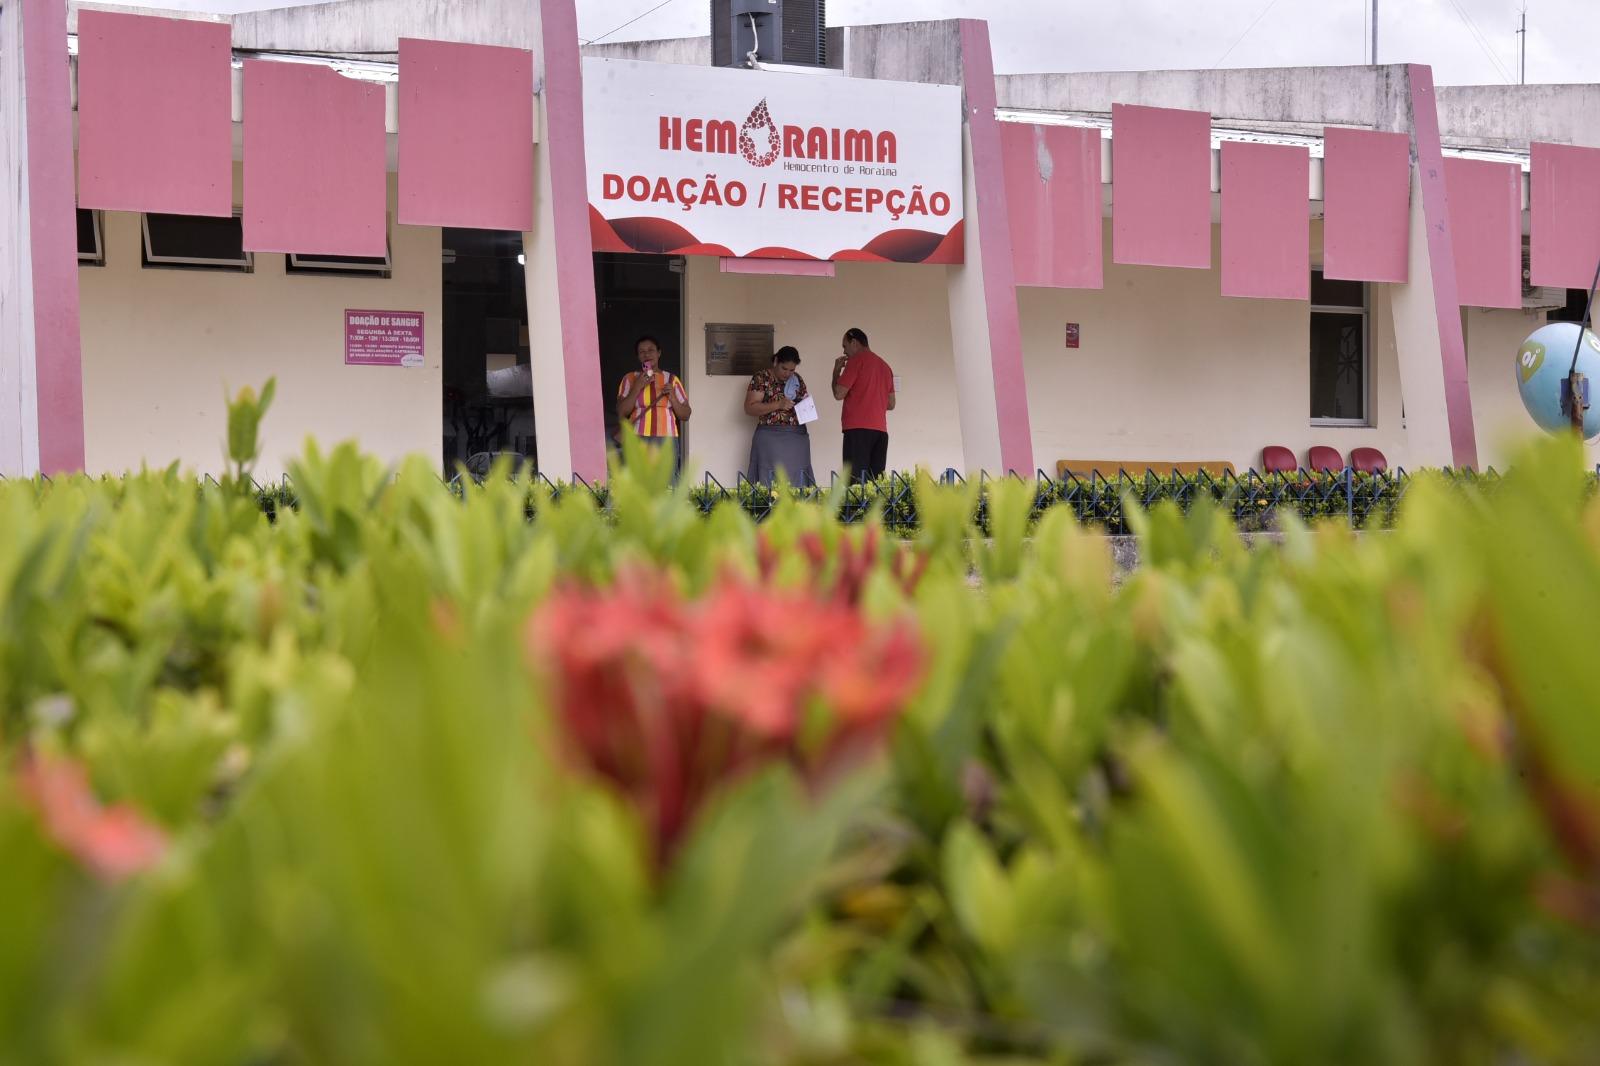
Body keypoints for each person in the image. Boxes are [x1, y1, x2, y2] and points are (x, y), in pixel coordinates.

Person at [831, 327, 895, 481]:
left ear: (854, 342)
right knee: (875, 483)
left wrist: (836, 372)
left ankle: (856, 507)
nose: (844, 352)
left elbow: (839, 394)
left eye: (844, 346)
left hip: (857, 430)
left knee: (855, 483)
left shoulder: (856, 361)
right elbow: (891, 404)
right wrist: (872, 398)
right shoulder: (885, 366)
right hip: (880, 432)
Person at [744, 346, 814, 486]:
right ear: (776, 361)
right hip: (771, 438)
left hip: (797, 438)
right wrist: (778, 405)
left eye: (792, 370)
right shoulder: (761, 378)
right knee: (770, 481)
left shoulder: (797, 380)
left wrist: (807, 406)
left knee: (797, 481)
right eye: (784, 368)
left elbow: (804, 401)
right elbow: (749, 408)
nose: (788, 374)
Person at [615, 335, 691, 455]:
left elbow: (686, 415)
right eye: (642, 352)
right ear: (638, 356)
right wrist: (637, 386)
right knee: (638, 474)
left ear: (659, 353)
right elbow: (622, 412)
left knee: (666, 474)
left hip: (666, 439)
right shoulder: (630, 378)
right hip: (637, 436)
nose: (647, 355)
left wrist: (673, 397)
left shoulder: (671, 379)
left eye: (651, 350)